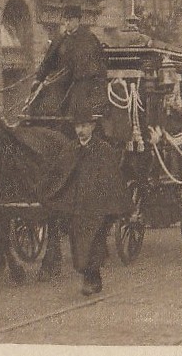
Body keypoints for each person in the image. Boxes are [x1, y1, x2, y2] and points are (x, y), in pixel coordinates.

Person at [36, 108, 133, 295]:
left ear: (92, 127)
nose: (81, 130)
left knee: (94, 242)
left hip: (97, 207)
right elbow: (59, 173)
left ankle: (92, 279)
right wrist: (44, 189)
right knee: (78, 244)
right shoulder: (71, 148)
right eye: (78, 127)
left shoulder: (103, 149)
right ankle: (88, 276)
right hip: (77, 206)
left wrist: (111, 206)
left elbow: (112, 178)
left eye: (84, 126)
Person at [27, 4, 108, 122]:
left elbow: (97, 62)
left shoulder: (88, 38)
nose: (67, 23)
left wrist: (82, 74)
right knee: (42, 97)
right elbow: (48, 61)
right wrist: (38, 79)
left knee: (78, 103)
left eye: (70, 19)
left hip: (82, 80)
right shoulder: (59, 39)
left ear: (78, 20)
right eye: (65, 19)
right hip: (60, 80)